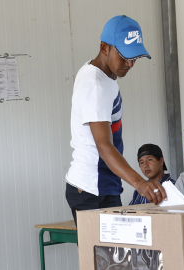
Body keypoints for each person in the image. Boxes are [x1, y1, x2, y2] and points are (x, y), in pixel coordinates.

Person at [65, 15, 166, 225]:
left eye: (134, 58)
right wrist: (139, 183)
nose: (129, 64)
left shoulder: (103, 75)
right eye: (124, 56)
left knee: (114, 257)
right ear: (104, 48)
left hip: (104, 184)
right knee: (102, 257)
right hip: (92, 190)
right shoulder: (95, 86)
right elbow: (104, 146)